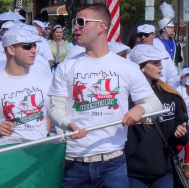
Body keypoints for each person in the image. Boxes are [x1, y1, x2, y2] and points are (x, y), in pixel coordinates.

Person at [48, 4, 162, 187]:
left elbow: (155, 104)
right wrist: (66, 124)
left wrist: (140, 109)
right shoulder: (66, 67)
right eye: (74, 23)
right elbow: (54, 109)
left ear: (101, 27)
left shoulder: (127, 67)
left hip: (113, 163)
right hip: (75, 162)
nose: (75, 27)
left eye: (81, 22)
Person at [0, 25, 51, 140]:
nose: (33, 50)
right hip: (7, 154)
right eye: (27, 46)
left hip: (39, 153)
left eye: (35, 45)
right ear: (11, 50)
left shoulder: (46, 81)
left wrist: (48, 128)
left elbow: (54, 112)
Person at [126, 44, 188, 188]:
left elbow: (183, 134)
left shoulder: (170, 96)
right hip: (132, 173)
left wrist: (181, 134)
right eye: (155, 63)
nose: (161, 67)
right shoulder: (123, 97)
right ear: (140, 66)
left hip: (164, 171)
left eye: (160, 62)